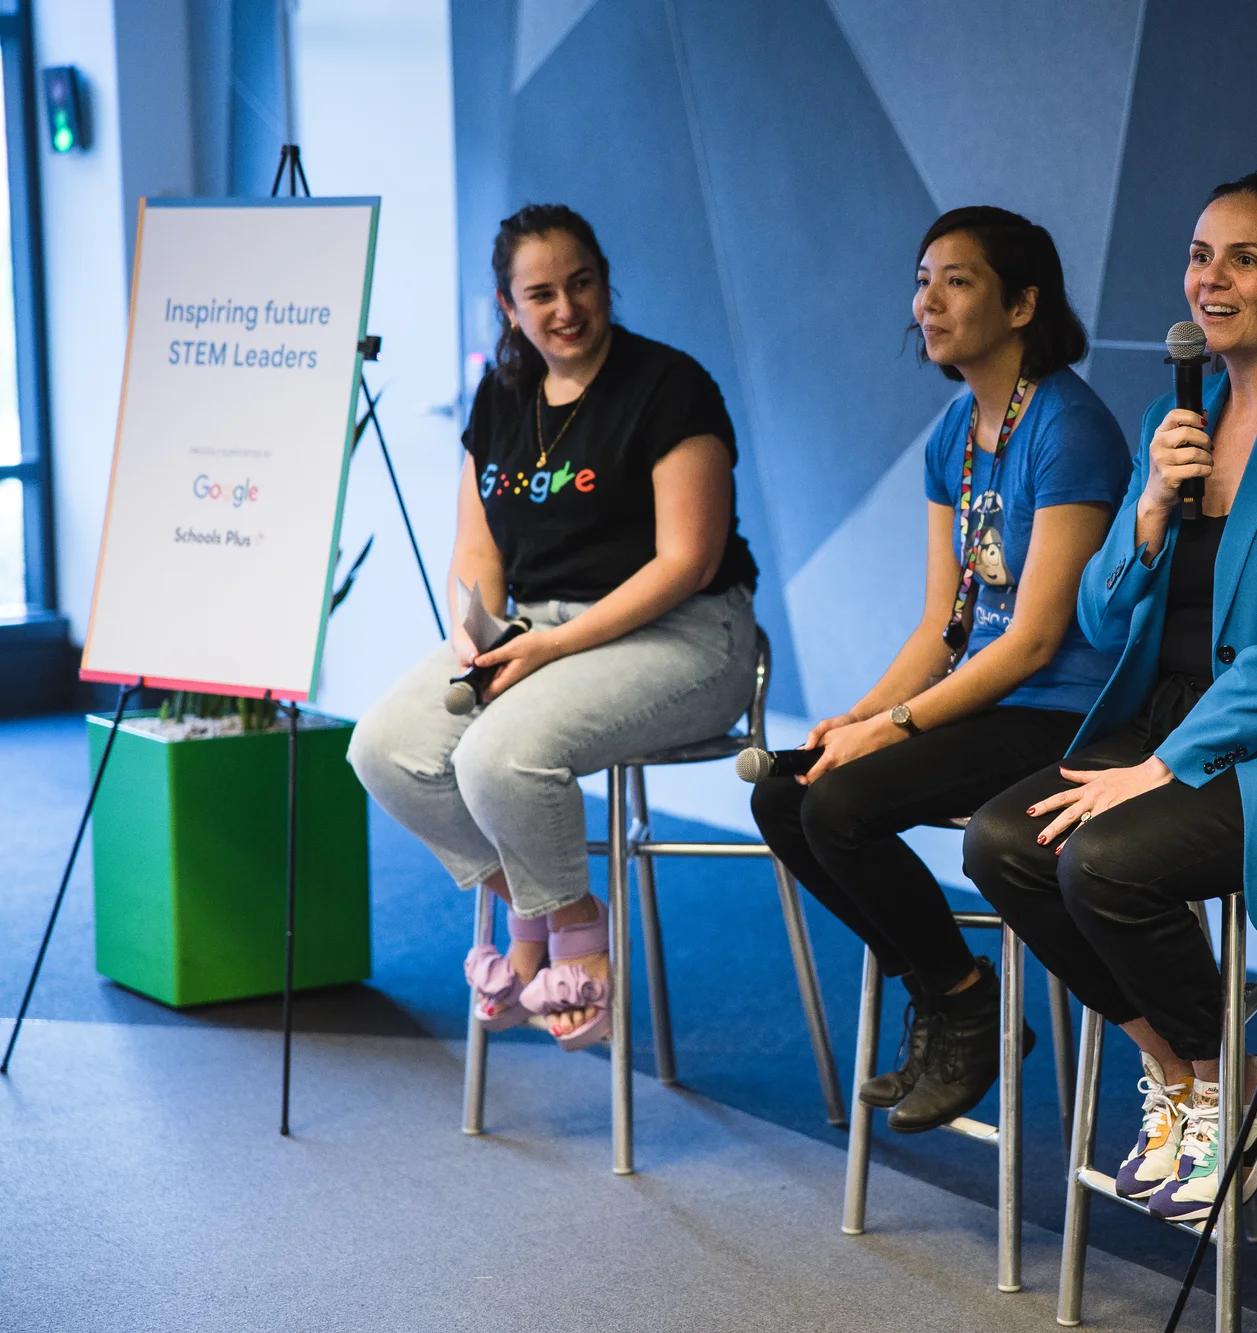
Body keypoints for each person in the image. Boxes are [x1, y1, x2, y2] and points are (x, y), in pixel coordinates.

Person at [963, 171, 1257, 1221]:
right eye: (1200, 256)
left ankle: (1227, 1084)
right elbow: (1103, 614)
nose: (1209, 279)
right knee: (1000, 843)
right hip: (1162, 714)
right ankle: (1197, 1078)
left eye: (1243, 259)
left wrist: (1158, 771)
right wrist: (1152, 509)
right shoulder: (1183, 413)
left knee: (1106, 861)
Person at [750, 207, 1129, 1132]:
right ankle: (954, 993)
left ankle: (962, 1001)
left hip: (1065, 710)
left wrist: (898, 728)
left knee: (842, 807)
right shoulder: (952, 434)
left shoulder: (1068, 427)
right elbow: (941, 626)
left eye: (957, 281)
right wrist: (862, 715)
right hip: (990, 694)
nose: (928, 301)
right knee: (790, 793)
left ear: (1022, 303)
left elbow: (1036, 638)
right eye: (923, 280)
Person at [349, 204, 761, 1051]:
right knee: (383, 747)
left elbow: (687, 560)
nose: (566, 308)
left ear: (606, 279)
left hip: (686, 633)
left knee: (498, 755)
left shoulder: (670, 385)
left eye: (581, 283)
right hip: (534, 629)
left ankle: (559, 936)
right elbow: (476, 549)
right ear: (509, 307)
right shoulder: (502, 396)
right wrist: (477, 634)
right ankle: (558, 905)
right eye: (541, 293)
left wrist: (545, 647)